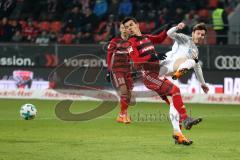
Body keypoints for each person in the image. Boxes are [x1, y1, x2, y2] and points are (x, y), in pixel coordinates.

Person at [123, 17, 202, 145]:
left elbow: (160, 38)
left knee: (173, 103)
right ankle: (186, 118)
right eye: (127, 27)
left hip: (157, 74)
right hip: (149, 75)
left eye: (131, 25)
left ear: (137, 25)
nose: (129, 28)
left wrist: (170, 27)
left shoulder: (146, 37)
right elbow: (137, 61)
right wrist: (152, 56)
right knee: (175, 90)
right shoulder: (131, 43)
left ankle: (178, 135)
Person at [161, 22, 209, 94]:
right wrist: (177, 27)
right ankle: (176, 74)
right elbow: (169, 33)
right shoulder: (184, 38)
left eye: (202, 35)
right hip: (168, 64)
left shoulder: (195, 50)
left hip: (172, 74)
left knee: (176, 95)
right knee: (193, 61)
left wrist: (203, 84)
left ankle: (175, 76)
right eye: (198, 33)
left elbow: (197, 68)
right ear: (193, 33)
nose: (200, 36)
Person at [106, 23, 133, 124]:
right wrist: (108, 70)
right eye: (123, 28)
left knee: (129, 94)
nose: (125, 30)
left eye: (126, 28)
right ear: (120, 29)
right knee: (124, 91)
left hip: (128, 70)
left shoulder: (132, 41)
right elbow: (109, 56)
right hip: (118, 70)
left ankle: (122, 114)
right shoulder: (114, 41)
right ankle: (123, 115)